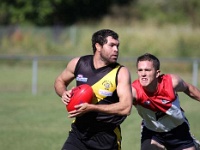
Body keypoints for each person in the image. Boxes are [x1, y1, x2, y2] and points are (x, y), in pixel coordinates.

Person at [54, 29, 133, 150]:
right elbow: (60, 81)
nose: (116, 50)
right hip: (79, 133)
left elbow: (126, 107)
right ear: (98, 46)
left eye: (117, 46)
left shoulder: (121, 72)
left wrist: (92, 108)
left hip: (106, 137)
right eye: (111, 45)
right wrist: (64, 93)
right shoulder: (78, 63)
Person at [131, 53, 200, 150]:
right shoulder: (134, 90)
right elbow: (121, 103)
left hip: (178, 130)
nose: (143, 74)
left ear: (157, 73)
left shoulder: (171, 82)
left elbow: (189, 89)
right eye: (140, 70)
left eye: (147, 70)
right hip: (152, 132)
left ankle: (193, 143)